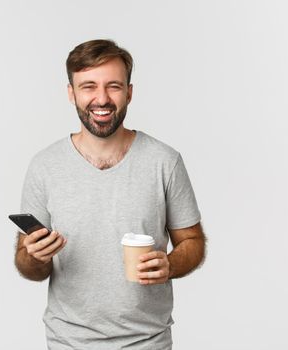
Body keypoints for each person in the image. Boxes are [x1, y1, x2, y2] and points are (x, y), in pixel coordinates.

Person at [15, 39, 206, 350]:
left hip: (148, 342)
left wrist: (170, 264)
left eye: (113, 86)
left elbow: (193, 242)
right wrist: (34, 256)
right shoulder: (44, 166)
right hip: (68, 342)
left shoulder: (164, 161)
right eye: (88, 86)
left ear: (129, 92)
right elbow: (27, 265)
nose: (101, 99)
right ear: (71, 93)